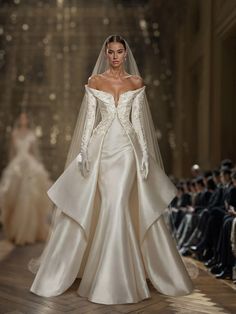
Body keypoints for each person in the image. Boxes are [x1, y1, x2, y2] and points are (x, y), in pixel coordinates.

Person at [29, 35, 194, 304]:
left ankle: (115, 278)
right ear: (106, 54)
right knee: (108, 205)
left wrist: (143, 155)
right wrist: (83, 152)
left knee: (118, 204)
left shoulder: (136, 83)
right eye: (111, 52)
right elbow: (89, 120)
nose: (116, 56)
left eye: (120, 51)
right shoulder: (95, 82)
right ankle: (107, 277)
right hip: (101, 150)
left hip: (127, 151)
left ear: (126, 54)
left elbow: (139, 123)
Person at [0, 112, 52, 245]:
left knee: (29, 196)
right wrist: (12, 167)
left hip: (29, 164)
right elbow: (12, 152)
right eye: (21, 117)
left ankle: (29, 232)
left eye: (25, 118)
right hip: (17, 165)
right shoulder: (15, 133)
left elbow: (34, 152)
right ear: (19, 120)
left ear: (27, 120)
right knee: (15, 196)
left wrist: (36, 165)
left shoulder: (31, 134)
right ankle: (15, 231)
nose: (23, 120)